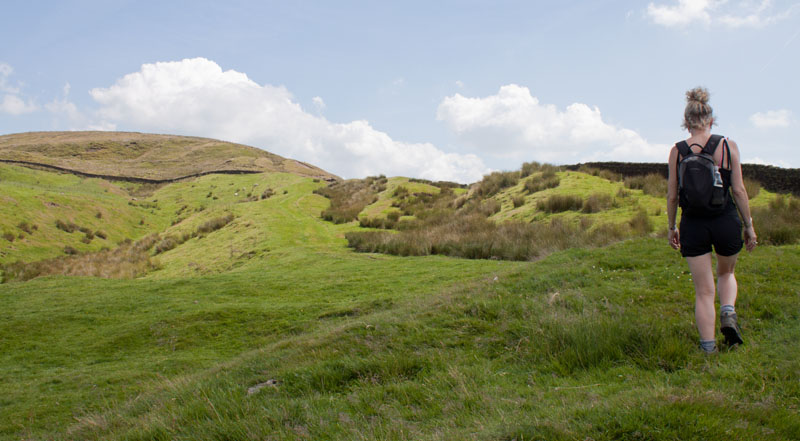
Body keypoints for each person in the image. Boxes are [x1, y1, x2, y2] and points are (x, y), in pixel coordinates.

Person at [666, 87, 758, 354]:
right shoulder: (728, 146)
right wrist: (749, 226)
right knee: (726, 272)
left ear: (686, 123)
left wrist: (672, 227)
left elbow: (672, 195)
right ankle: (728, 311)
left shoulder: (677, 151)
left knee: (704, 291)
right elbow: (739, 191)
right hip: (725, 220)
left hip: (693, 224)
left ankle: (708, 350)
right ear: (711, 120)